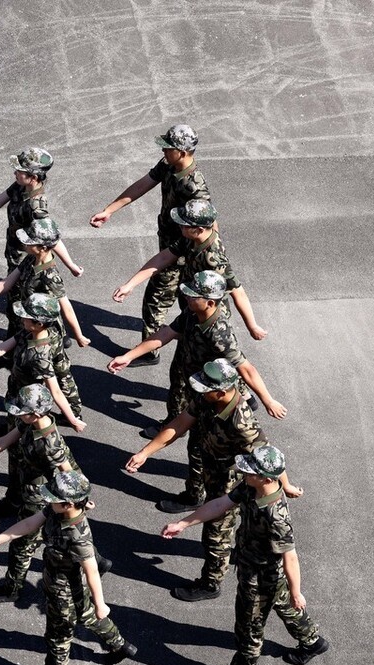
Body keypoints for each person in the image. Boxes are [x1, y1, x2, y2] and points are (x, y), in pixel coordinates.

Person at [126, 359, 302, 600]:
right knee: (215, 524)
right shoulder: (208, 397)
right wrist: (145, 453)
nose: (200, 391)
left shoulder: (242, 423)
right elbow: (180, 424)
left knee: (216, 533)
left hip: (228, 480)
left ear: (220, 392)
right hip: (210, 466)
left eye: (205, 389)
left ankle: (210, 583)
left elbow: (266, 454)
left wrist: (287, 484)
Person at [161, 445, 329, 665]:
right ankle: (312, 641)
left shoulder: (276, 516)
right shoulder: (253, 487)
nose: (243, 473)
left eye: (250, 471)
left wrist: (297, 592)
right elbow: (221, 504)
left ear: (266, 478)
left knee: (248, 627)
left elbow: (290, 557)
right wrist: (183, 523)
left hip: (261, 578)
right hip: (256, 566)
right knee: (283, 603)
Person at [0, 471, 137, 665]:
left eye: (53, 498)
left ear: (68, 504)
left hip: (64, 592)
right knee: (87, 615)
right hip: (65, 584)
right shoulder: (57, 512)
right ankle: (120, 645)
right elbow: (28, 525)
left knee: (58, 636)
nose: (48, 501)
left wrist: (102, 604)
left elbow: (92, 571)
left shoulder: (77, 536)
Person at [0, 385, 109, 603]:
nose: (17, 413)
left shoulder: (48, 443)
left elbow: (68, 471)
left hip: (41, 497)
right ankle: (96, 559)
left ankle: (12, 589)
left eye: (21, 411)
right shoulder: (28, 422)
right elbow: (2, 442)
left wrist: (80, 500)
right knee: (51, 535)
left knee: (21, 545)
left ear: (35, 413)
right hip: (30, 489)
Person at [107, 271, 286, 453]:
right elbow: (167, 333)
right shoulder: (193, 312)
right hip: (192, 377)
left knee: (204, 443)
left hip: (210, 389)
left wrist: (268, 400)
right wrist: (129, 356)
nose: (186, 296)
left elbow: (246, 368)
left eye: (193, 296)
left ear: (209, 302)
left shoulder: (219, 334)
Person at [90, 124, 209, 366]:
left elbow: (208, 226)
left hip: (179, 251)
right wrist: (109, 210)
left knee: (156, 300)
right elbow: (143, 184)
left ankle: (150, 350)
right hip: (169, 245)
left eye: (168, 147)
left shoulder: (194, 188)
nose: (164, 151)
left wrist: (204, 254)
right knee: (187, 306)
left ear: (183, 152)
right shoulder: (169, 165)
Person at [112, 199, 267, 341]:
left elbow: (238, 291)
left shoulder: (213, 259)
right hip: (192, 301)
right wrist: (130, 285)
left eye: (184, 224)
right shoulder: (192, 238)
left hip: (206, 316)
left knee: (193, 347)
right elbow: (163, 258)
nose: (180, 226)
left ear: (199, 229)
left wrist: (252, 326)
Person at [0, 294, 87, 432]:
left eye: (26, 316)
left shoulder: (40, 358)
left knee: (19, 426)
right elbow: (0, 348)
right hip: (19, 388)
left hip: (24, 396)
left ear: (39, 324)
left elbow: (55, 391)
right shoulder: (41, 331)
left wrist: (73, 421)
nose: (22, 318)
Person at [0, 148, 84, 275]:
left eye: (19, 171)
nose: (15, 173)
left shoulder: (37, 207)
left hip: (25, 262)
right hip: (14, 253)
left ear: (34, 177)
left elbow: (51, 238)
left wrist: (71, 265)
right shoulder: (21, 186)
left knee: (19, 296)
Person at [0, 218, 91, 348]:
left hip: (40, 330)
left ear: (43, 248)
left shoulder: (50, 277)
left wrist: (79, 336)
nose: (24, 244)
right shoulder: (31, 259)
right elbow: (6, 283)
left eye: (29, 242)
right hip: (28, 318)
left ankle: (61, 339)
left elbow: (66, 307)